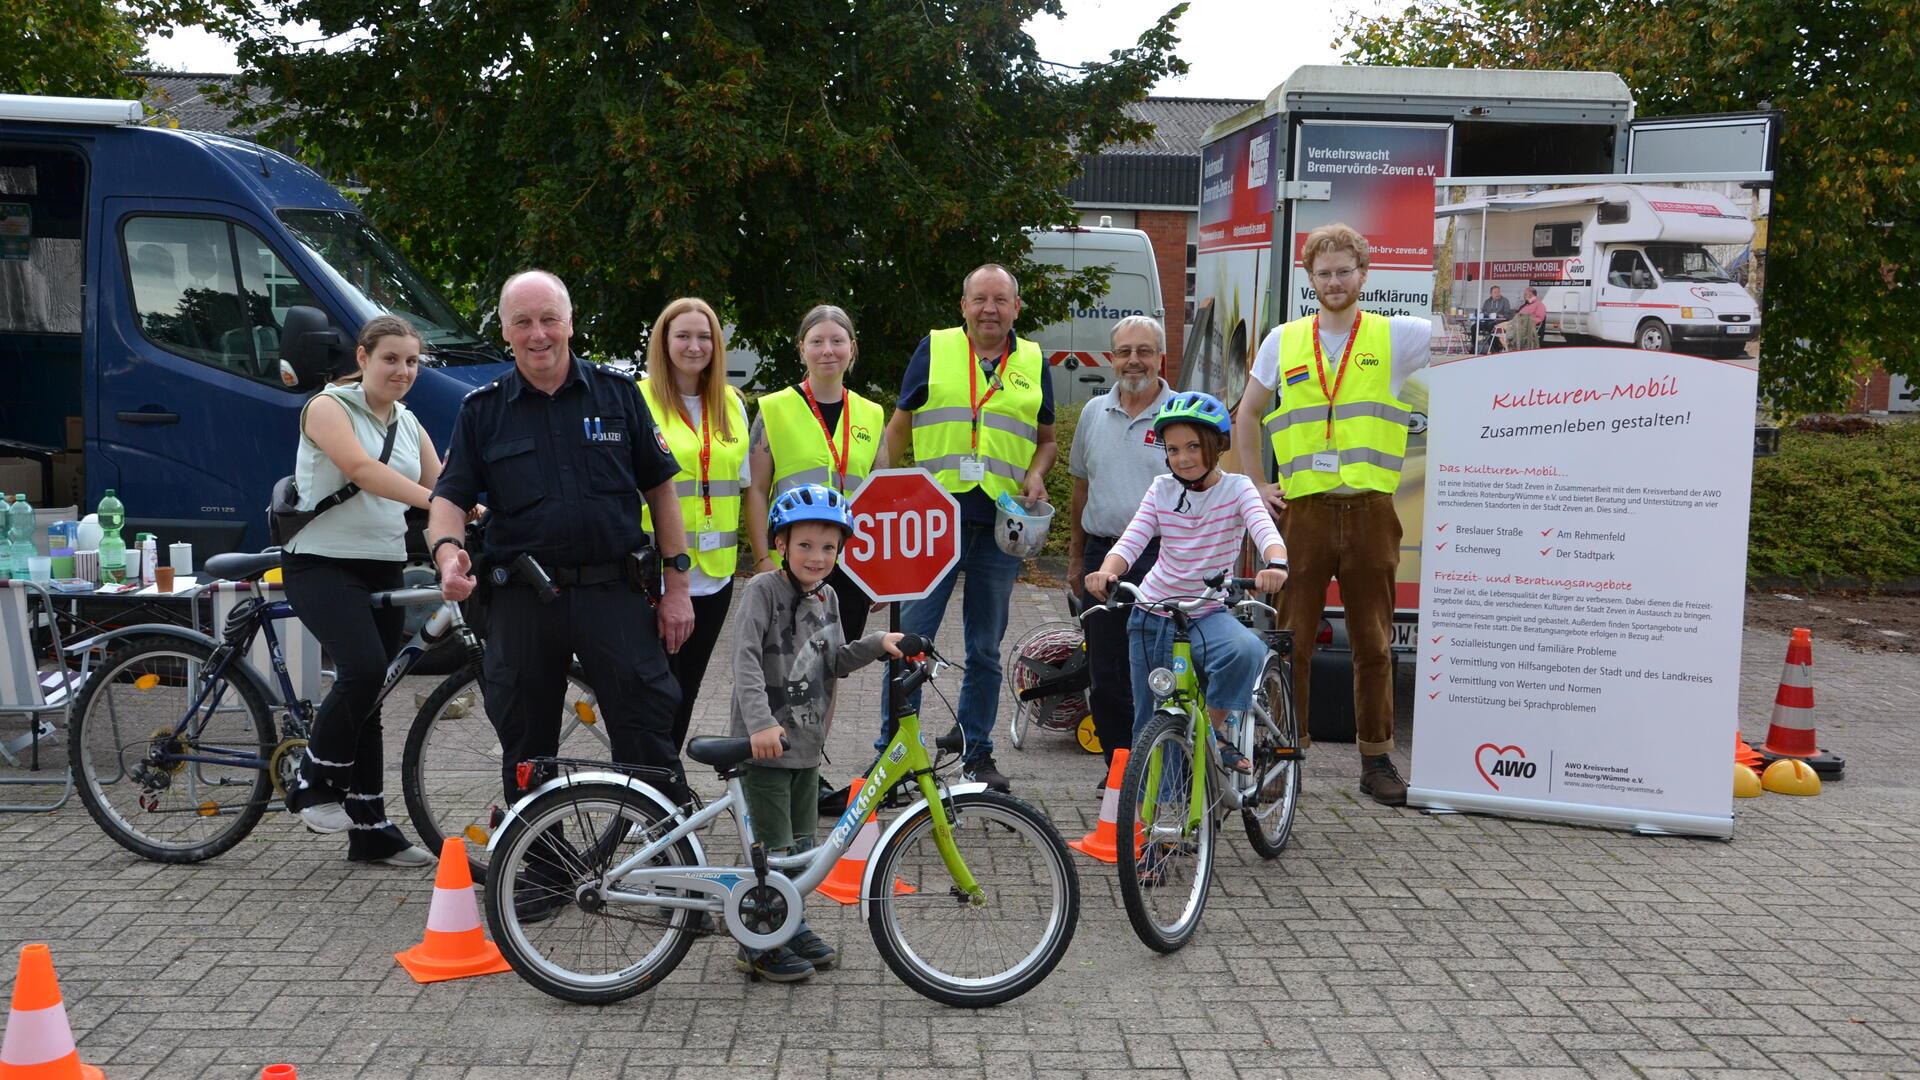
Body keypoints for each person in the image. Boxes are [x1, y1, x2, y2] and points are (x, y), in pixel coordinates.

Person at [428, 270, 695, 822]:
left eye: (549, 319)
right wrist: (447, 552)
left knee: (647, 735)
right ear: (505, 330)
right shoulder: (483, 410)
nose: (538, 334)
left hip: (614, 593)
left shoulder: (618, 395)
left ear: (570, 323)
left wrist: (678, 588)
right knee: (526, 744)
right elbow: (448, 497)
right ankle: (542, 875)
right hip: (524, 602)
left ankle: (674, 877)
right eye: (522, 322)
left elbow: (662, 490)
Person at [1231, 222, 1433, 806]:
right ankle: (1281, 757)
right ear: (1310, 278)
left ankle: (1376, 761)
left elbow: (1468, 330)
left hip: (1371, 512)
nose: (1336, 281)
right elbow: (1247, 416)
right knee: (1289, 640)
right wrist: (1254, 485)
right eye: (1325, 273)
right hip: (1305, 514)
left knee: (1373, 642)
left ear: (1364, 275)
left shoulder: (1399, 337)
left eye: (1346, 271)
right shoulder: (1284, 340)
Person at [879, 263, 1058, 792]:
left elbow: (1045, 439)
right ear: (963, 306)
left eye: (1000, 300)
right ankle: (892, 758)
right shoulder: (933, 349)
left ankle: (976, 751)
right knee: (911, 642)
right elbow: (898, 429)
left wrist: (1036, 473)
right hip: (932, 523)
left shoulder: (1032, 360)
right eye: (979, 299)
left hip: (1001, 525)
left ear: (1016, 308)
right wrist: (880, 501)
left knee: (984, 648)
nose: (989, 309)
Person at [280, 314, 440, 867]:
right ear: (363, 357)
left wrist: (482, 512)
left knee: (370, 696)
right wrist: (436, 503)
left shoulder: (410, 421)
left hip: (382, 565)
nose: (403, 370)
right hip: (321, 565)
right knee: (364, 670)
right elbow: (361, 470)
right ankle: (312, 784)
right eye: (391, 358)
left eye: (412, 361)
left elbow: (441, 485)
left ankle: (371, 830)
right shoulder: (328, 407)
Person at [730, 484, 905, 982]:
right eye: (805, 545)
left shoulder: (828, 597)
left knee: (803, 847)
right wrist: (760, 723)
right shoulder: (762, 591)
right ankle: (757, 942)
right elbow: (743, 660)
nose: (818, 556)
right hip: (765, 746)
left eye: (829, 547)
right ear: (781, 544)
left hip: (806, 746)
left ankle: (792, 920)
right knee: (773, 848)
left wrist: (876, 642)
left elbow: (834, 660)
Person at [1084, 392, 1288, 767]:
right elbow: (1132, 539)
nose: (1183, 458)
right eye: (1174, 449)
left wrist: (1275, 565)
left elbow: (1265, 531)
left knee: (1245, 651)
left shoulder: (1238, 488)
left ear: (1217, 445)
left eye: (1193, 446)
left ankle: (1213, 732)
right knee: (1151, 722)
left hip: (1207, 612)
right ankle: (1152, 814)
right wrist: (1108, 571)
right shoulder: (1162, 488)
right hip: (1152, 614)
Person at [637, 297, 750, 752]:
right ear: (664, 342)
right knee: (656, 694)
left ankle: (663, 786)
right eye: (682, 335)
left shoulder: (731, 404)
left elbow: (741, 484)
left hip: (716, 575)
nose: (694, 345)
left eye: (704, 336)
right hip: (656, 572)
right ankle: (654, 786)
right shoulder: (638, 400)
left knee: (686, 691)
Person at [1065, 315, 1175, 767]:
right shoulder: (1094, 413)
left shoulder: (1180, 413)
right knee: (1105, 673)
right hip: (1101, 556)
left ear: (1160, 357)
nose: (1134, 361)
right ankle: (1120, 770)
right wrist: (1075, 559)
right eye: (1125, 352)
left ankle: (1162, 764)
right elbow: (1080, 489)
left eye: (1144, 351)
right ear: (1111, 359)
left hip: (1164, 559)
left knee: (1157, 672)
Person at [745, 304, 888, 641]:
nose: (827, 351)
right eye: (817, 341)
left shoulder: (872, 413)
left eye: (837, 341)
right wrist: (762, 558)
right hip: (793, 559)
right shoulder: (774, 409)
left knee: (835, 664)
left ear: (852, 348)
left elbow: (881, 499)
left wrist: (882, 572)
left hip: (854, 563)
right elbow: (755, 489)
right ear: (801, 349)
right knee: (784, 664)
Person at [1498, 287, 1547, 351]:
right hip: (1516, 324)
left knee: (1502, 332)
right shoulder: (1526, 305)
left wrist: (1525, 321)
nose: (1524, 295)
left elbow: (1540, 318)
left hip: (1525, 327)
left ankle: (1508, 348)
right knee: (1498, 328)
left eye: (1525, 294)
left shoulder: (1539, 305)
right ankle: (1505, 348)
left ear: (1531, 294)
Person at [1477, 286, 1512, 353]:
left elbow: (1507, 314)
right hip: (1487, 321)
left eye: (1498, 292)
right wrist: (1487, 314)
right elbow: (1483, 311)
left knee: (1492, 327)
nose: (1497, 294)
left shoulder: (1505, 301)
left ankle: (1495, 349)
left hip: (1500, 322)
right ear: (1491, 294)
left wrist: (1498, 315)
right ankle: (1475, 348)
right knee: (1474, 327)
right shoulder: (1487, 302)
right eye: (1495, 292)